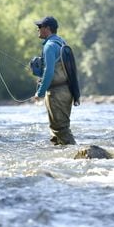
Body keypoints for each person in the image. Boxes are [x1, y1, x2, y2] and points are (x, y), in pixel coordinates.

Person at [31, 16, 76, 145]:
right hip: (66, 91)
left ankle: (78, 156)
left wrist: (40, 92)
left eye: (40, 27)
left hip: (56, 93)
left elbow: (49, 72)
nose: (38, 30)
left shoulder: (49, 46)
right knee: (56, 131)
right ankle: (61, 158)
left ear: (47, 29)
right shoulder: (61, 42)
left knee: (60, 129)